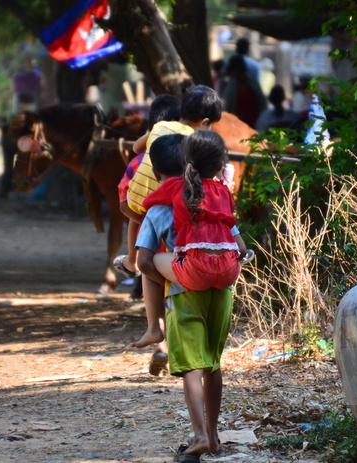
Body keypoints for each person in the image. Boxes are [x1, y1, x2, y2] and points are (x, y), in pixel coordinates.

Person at [135, 134, 239, 458]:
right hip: (223, 288)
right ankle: (215, 436)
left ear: (156, 171)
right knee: (213, 364)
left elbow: (142, 261)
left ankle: (199, 438)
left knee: (191, 368)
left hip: (185, 289)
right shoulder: (221, 195)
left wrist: (166, 278)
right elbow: (239, 242)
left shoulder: (161, 206)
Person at [124, 85, 223, 350]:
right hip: (166, 206)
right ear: (204, 122)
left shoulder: (159, 127)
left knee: (145, 257)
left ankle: (152, 327)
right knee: (167, 257)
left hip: (136, 203)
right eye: (210, 126)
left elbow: (135, 148)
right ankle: (167, 320)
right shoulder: (192, 140)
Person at [143, 130, 249, 293]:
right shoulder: (225, 192)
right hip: (229, 273)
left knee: (154, 258)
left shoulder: (177, 186)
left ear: (185, 162)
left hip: (195, 273)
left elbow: (148, 202)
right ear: (220, 166)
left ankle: (161, 307)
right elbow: (242, 250)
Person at [114, 94, 182, 281]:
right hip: (182, 238)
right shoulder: (188, 164)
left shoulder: (137, 162)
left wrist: (147, 221)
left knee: (148, 272)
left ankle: (131, 261)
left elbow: (123, 204)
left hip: (147, 237)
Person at [222, 54, 268, 128]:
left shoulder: (253, 84)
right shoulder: (230, 89)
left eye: (236, 71)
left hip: (256, 125)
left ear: (241, 70)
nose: (235, 74)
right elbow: (227, 109)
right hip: (238, 127)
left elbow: (262, 103)